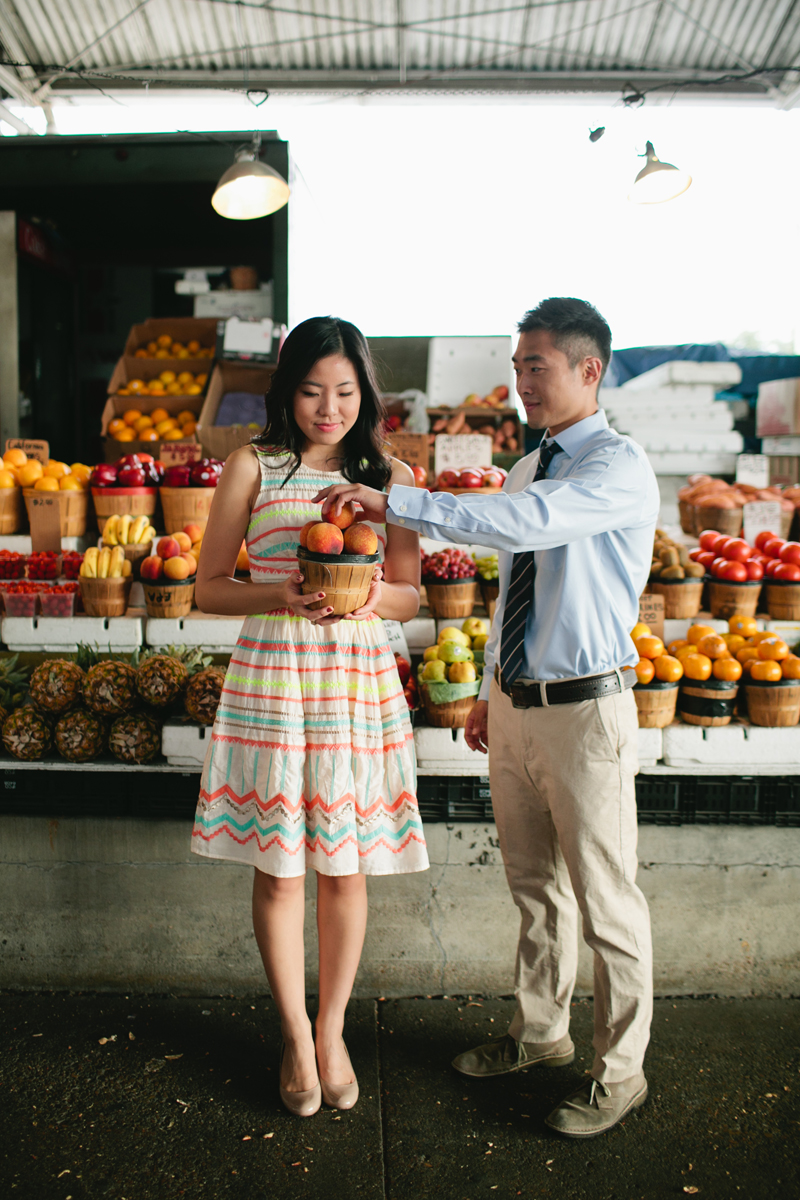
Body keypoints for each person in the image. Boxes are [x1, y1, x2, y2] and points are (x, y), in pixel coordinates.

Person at [314, 297, 660, 1139]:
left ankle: (619, 1075)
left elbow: (527, 525)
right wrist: (490, 689)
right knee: (535, 890)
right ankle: (539, 1036)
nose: (519, 383)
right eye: (516, 366)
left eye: (534, 366)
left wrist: (398, 501)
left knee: (608, 903)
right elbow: (517, 580)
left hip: (586, 714)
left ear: (588, 369)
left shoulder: (614, 467)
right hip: (516, 708)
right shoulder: (526, 463)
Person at [191, 316, 429, 1119]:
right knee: (281, 865)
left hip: (355, 681)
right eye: (311, 390)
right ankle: (293, 1032)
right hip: (276, 679)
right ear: (286, 392)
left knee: (346, 864)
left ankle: (334, 1032)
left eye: (344, 391)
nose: (328, 408)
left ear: (365, 396)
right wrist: (279, 594)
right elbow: (207, 586)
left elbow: (408, 592)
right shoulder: (253, 465)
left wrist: (359, 601)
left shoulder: (387, 474)